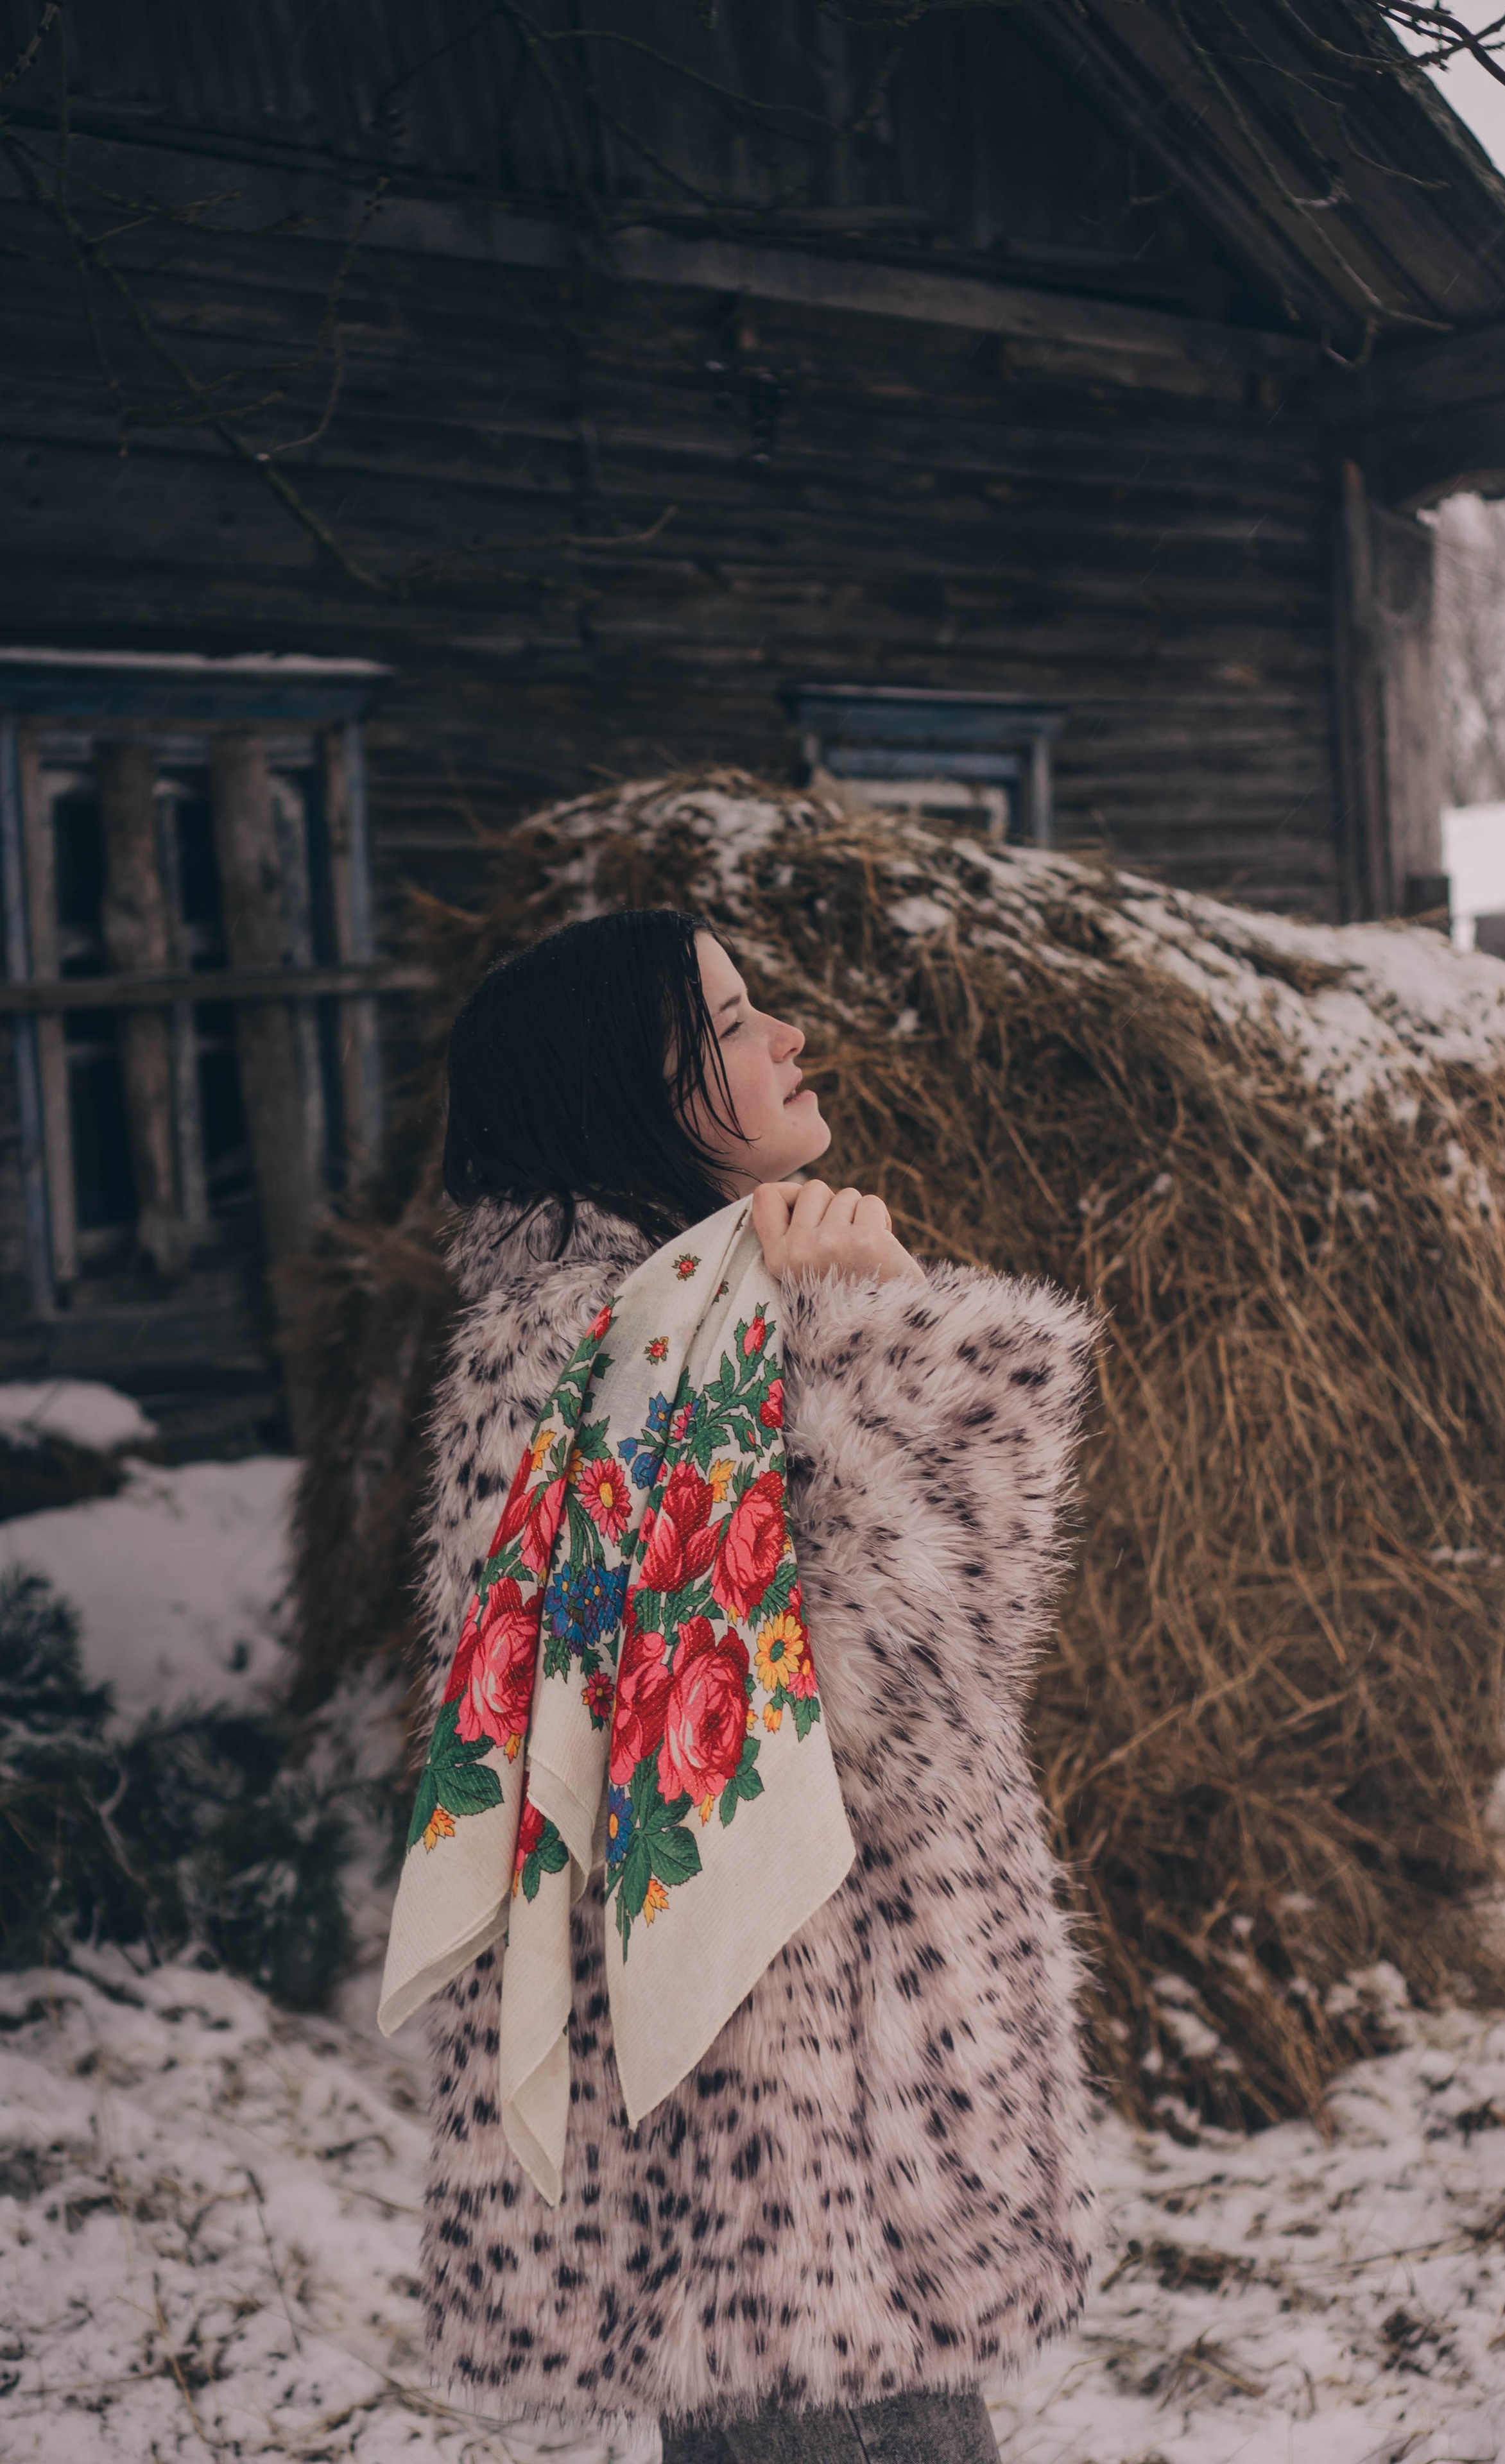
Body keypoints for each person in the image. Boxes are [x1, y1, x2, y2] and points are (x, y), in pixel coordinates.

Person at [418, 906, 1106, 2462]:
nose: (787, 1034)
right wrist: (875, 1321)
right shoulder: (617, 1355)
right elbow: (875, 1696)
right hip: (785, 2151)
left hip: (838, 2115)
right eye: (728, 1024)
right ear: (625, 1093)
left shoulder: (676, 1316)